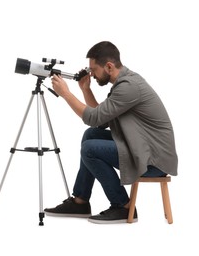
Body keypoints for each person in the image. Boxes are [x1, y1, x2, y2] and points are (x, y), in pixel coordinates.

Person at [44, 41, 178, 224]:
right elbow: (101, 121)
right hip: (141, 148)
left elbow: (93, 117)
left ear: (108, 66)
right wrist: (85, 89)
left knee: (90, 148)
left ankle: (122, 205)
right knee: (91, 135)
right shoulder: (123, 84)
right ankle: (80, 201)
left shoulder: (128, 86)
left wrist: (66, 94)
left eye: (94, 69)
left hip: (153, 160)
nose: (91, 74)